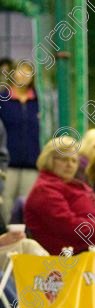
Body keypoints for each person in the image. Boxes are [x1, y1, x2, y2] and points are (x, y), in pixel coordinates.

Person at [25, 137, 95, 255]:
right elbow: (68, 226)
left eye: (74, 160)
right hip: (66, 260)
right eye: (64, 159)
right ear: (49, 160)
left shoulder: (79, 185)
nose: (70, 165)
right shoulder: (44, 189)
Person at [0, 60, 40, 222]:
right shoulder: (3, 99)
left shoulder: (39, 101)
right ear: (13, 73)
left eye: (27, 72)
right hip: (7, 164)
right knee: (5, 202)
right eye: (20, 71)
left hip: (32, 162)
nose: (23, 76)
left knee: (27, 203)